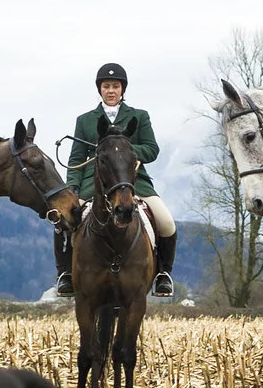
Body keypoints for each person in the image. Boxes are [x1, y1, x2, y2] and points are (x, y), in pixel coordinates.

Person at [57, 62, 177, 299]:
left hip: (133, 182)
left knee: (167, 223)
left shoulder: (139, 116)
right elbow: (76, 157)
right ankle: (65, 275)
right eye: (106, 86)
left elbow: (152, 149)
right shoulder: (85, 120)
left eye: (115, 86)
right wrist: (73, 188)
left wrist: (122, 151)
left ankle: (163, 274)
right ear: (99, 90)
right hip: (95, 183)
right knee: (63, 220)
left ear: (122, 89)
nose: (111, 90)